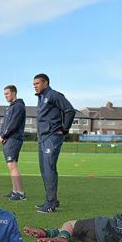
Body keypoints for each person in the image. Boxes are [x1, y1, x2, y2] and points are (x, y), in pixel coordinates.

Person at [33, 74, 76, 213]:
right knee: (44, 170)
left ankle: (50, 204)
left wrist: (64, 129)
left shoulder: (53, 95)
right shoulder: (41, 98)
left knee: (49, 168)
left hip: (52, 137)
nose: (35, 86)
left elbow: (69, 110)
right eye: (34, 84)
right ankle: (51, 200)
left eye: (37, 83)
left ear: (45, 83)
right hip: (42, 138)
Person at [0, 85, 27, 201]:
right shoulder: (9, 108)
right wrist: (0, 135)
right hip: (8, 139)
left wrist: (4, 135)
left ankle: (21, 193)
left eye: (7, 94)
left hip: (13, 138)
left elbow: (13, 124)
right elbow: (4, 124)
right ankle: (15, 191)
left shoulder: (19, 106)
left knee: (12, 165)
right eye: (4, 94)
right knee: (11, 166)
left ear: (14, 93)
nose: (5, 96)